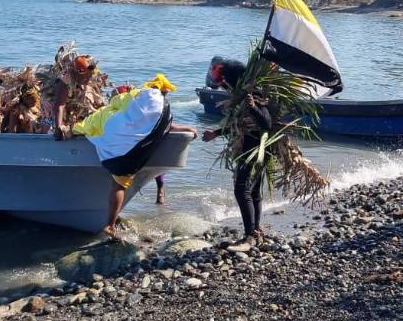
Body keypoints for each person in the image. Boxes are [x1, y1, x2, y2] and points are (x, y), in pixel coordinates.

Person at [74, 73, 194, 239]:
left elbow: (115, 103)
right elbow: (166, 126)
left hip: (112, 147)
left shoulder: (137, 96)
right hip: (129, 155)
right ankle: (110, 225)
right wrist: (188, 128)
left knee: (101, 119)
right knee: (119, 187)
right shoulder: (164, 111)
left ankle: (109, 223)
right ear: (164, 91)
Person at [201, 62, 277, 238]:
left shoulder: (253, 95)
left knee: (241, 190)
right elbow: (240, 125)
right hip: (254, 148)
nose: (223, 85)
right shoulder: (241, 96)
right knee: (254, 191)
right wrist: (216, 133)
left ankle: (249, 235)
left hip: (255, 149)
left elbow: (267, 123)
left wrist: (253, 107)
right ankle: (255, 230)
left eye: (224, 81)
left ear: (232, 80)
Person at [53, 54, 102, 140]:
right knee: (59, 120)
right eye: (85, 77)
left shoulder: (91, 73)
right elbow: (59, 105)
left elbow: (99, 99)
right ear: (77, 73)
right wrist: (58, 127)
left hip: (75, 95)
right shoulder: (65, 80)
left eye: (89, 76)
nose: (88, 79)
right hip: (57, 100)